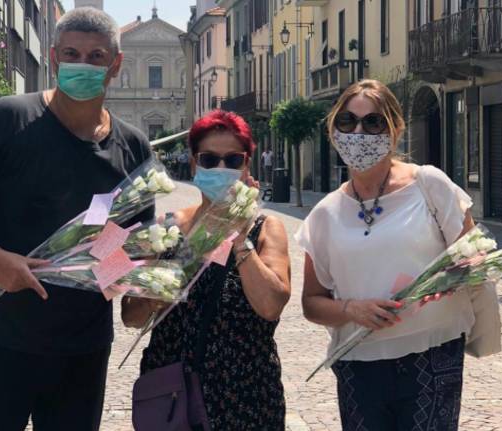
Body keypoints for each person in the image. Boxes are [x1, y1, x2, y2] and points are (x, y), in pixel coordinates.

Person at [0, 8, 153, 431]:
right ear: (52, 58)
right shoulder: (7, 118)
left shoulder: (133, 148)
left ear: (116, 64)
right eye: (71, 53)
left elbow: (132, 242)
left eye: (96, 57)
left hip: (80, 350)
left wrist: (136, 282)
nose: (81, 65)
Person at [297, 79, 476, 431]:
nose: (359, 132)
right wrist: (351, 309)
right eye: (347, 122)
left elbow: (474, 257)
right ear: (333, 131)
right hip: (359, 364)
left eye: (373, 122)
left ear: (395, 130)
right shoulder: (324, 214)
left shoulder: (429, 185)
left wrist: (446, 280)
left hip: (433, 353)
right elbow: (311, 303)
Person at [122, 110, 291, 430]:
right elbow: (131, 317)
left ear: (247, 167)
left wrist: (240, 239)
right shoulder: (164, 228)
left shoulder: (266, 228)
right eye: (210, 160)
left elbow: (270, 305)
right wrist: (150, 297)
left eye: (233, 160)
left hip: (246, 395)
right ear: (194, 164)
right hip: (174, 393)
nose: (221, 168)